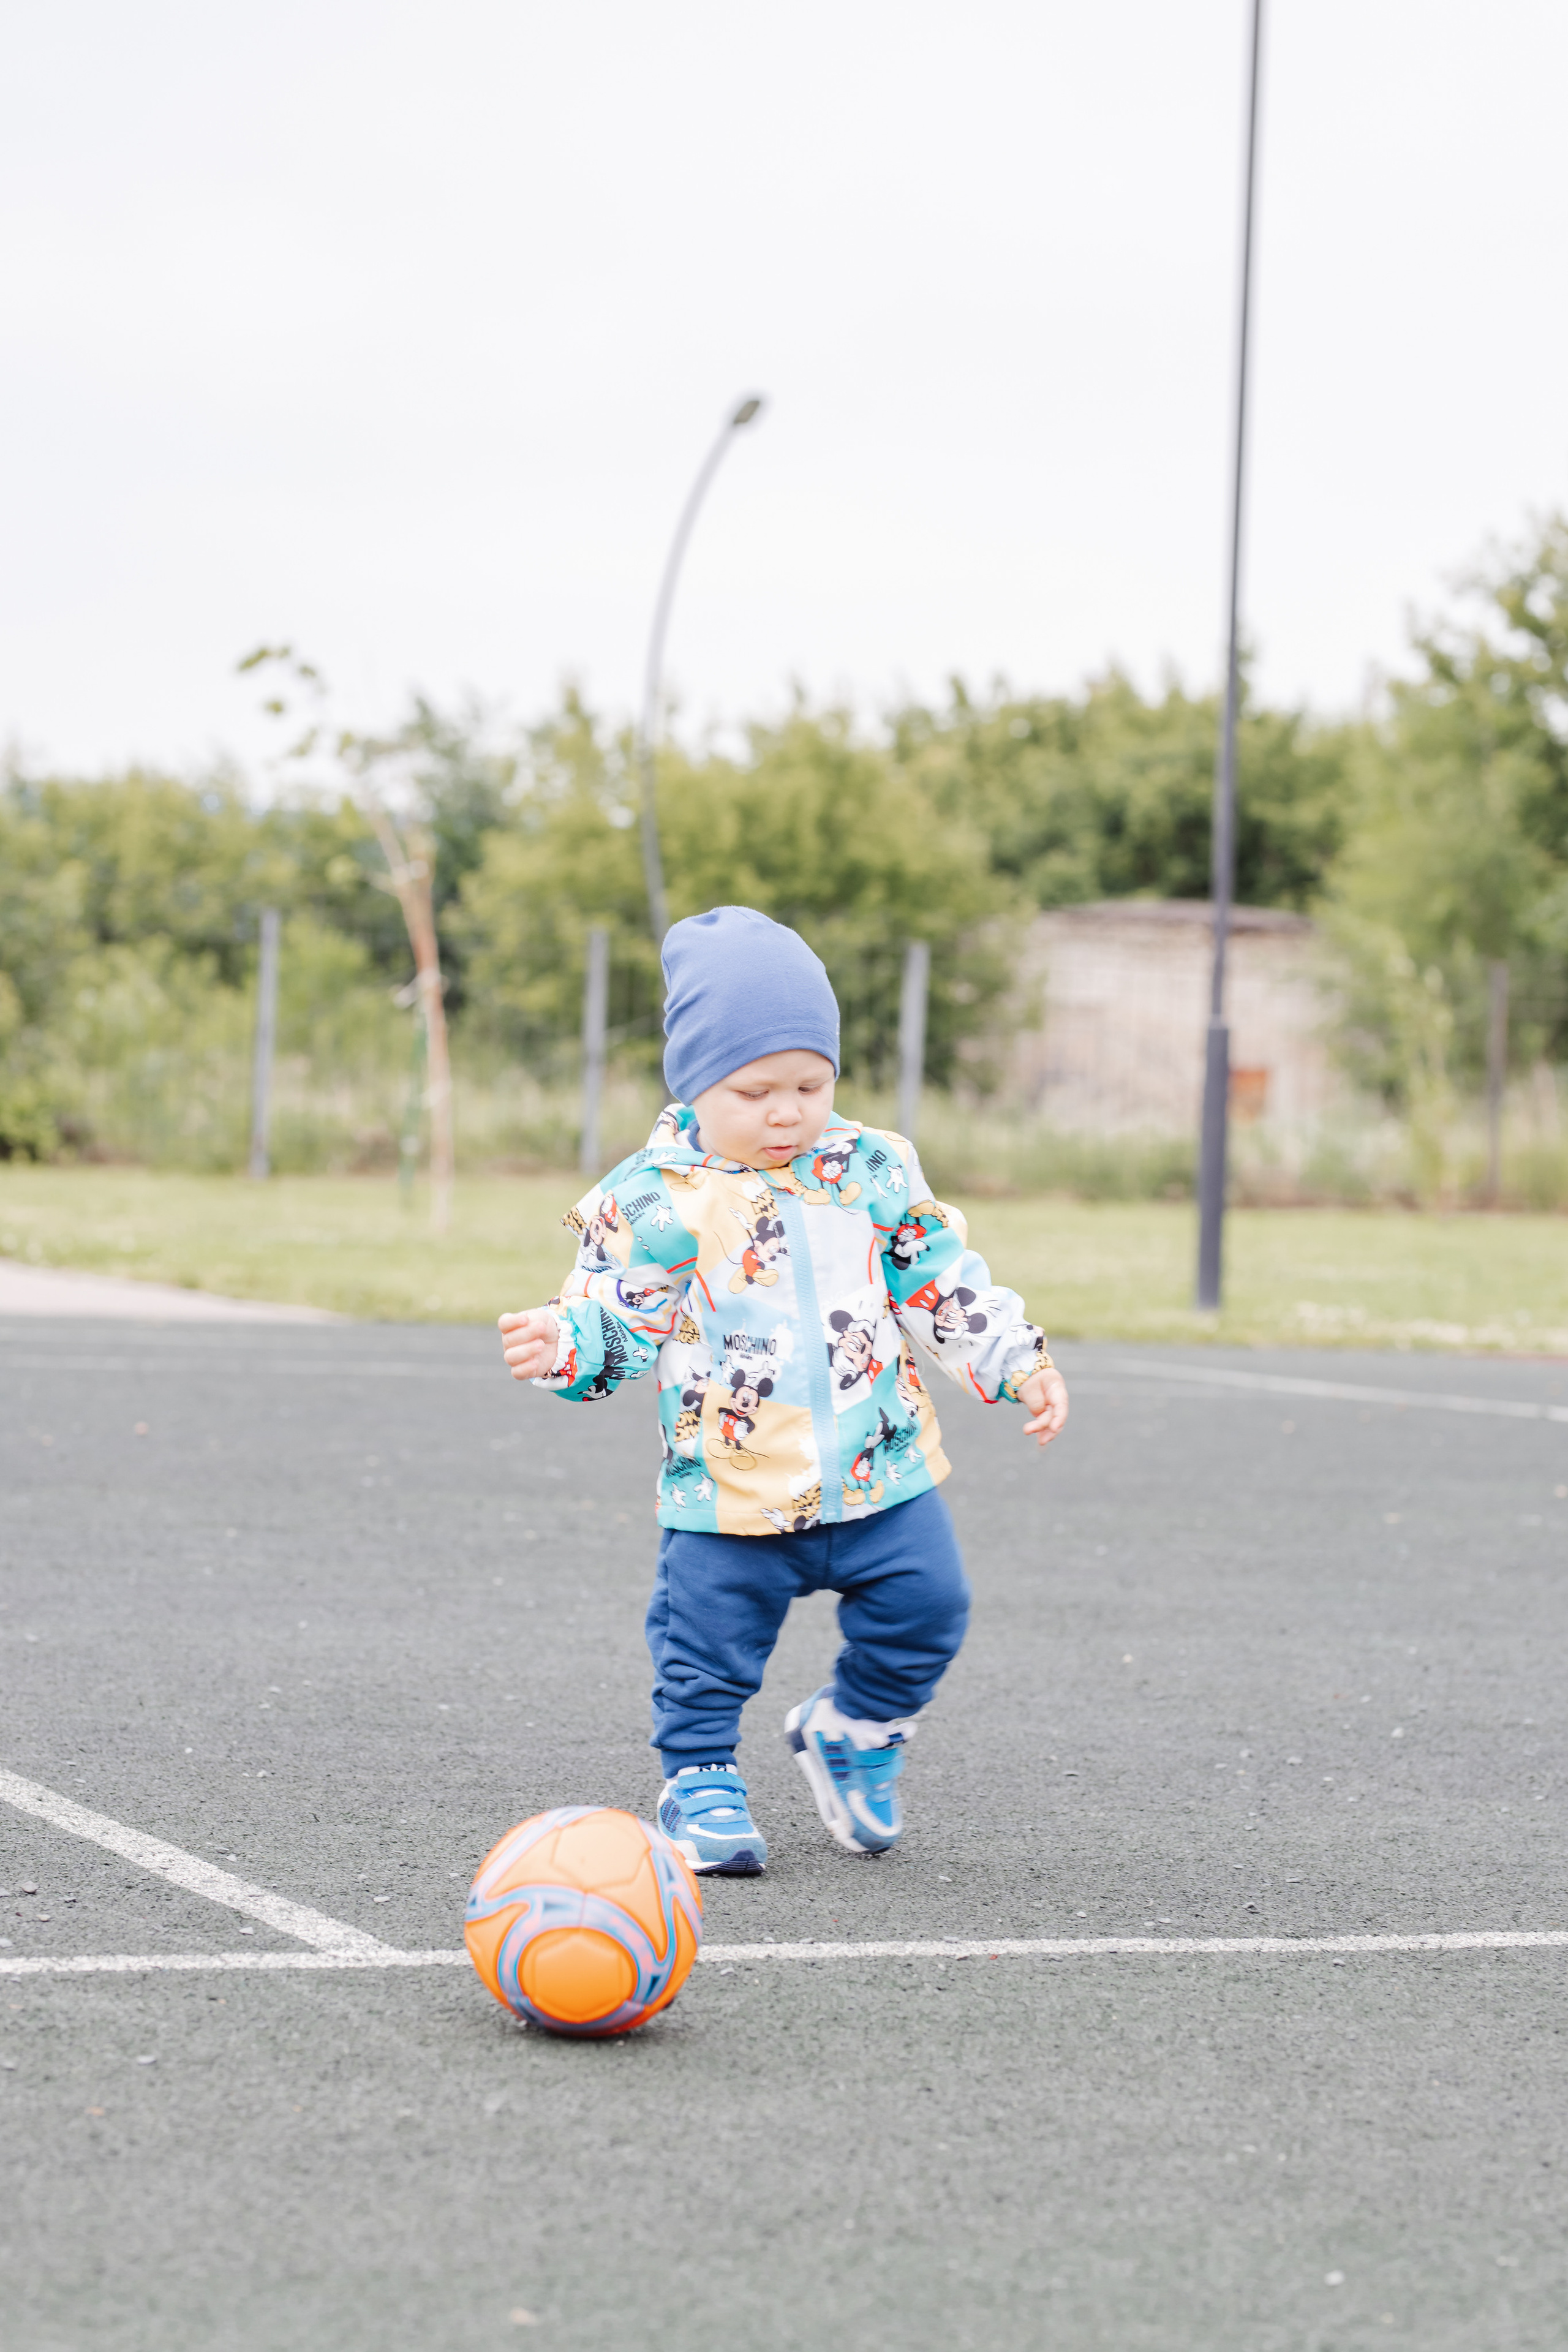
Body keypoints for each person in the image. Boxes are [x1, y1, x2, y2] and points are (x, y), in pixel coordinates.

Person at [498, 905, 1069, 1875]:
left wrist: (1016, 1358)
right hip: (733, 1484)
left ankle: (859, 1728)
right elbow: (621, 1311)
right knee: (705, 1648)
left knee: (930, 1609)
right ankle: (701, 1778)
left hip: (879, 1465)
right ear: (693, 1084)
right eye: (754, 1089)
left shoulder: (871, 1169)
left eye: (811, 1083)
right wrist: (566, 1339)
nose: (786, 1111)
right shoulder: (657, 1196)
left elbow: (937, 1276)